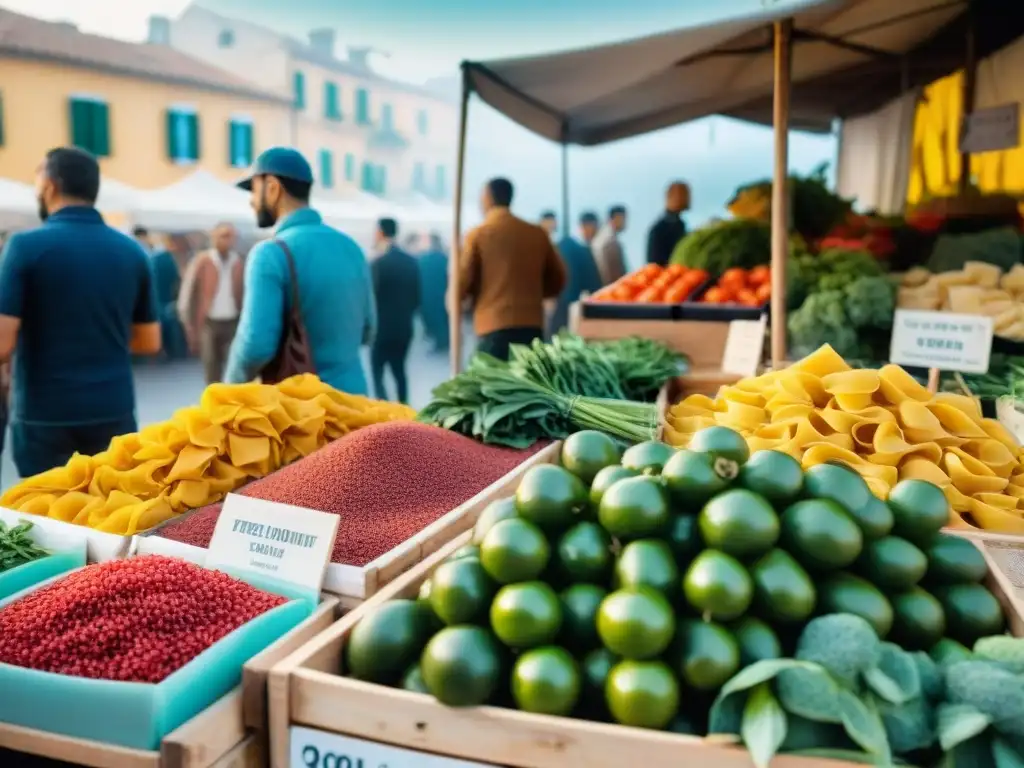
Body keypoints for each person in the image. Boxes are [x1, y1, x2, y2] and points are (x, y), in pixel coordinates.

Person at [0, 147, 161, 477]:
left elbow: (2, 344)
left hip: (44, 416)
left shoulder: (23, 247)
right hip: (113, 409)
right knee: (107, 516)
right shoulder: (133, 252)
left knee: (44, 521)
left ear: (50, 185)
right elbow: (149, 342)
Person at [225, 147, 376, 394]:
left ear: (272, 187)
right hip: (356, 402)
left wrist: (227, 389)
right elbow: (368, 331)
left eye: (253, 190)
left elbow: (256, 346)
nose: (252, 201)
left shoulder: (269, 254)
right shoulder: (352, 248)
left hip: (303, 413)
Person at [457, 178, 566, 361]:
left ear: (488, 199)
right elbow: (558, 279)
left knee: (491, 385)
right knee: (527, 383)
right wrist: (535, 295)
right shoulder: (537, 233)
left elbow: (462, 283)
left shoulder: (478, 235)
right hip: (531, 325)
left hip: (491, 326)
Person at [178, 223, 244, 384]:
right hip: (209, 322)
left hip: (233, 321)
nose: (227, 240)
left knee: (233, 367)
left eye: (231, 236)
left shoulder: (239, 261)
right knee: (211, 367)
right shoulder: (203, 261)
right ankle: (214, 404)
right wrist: (189, 324)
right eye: (223, 236)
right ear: (214, 237)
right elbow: (187, 294)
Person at [370, 218, 420, 403]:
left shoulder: (378, 263)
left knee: (377, 371)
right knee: (400, 371)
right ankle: (405, 410)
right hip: (404, 327)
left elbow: (371, 298)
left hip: (382, 329)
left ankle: (383, 413)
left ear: (381, 232)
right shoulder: (412, 262)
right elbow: (417, 298)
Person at [548, 211, 603, 336]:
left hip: (558, 306)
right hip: (572, 308)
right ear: (589, 226)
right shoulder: (583, 251)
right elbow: (595, 286)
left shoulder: (559, 246)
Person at [647, 181, 690, 267]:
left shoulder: (679, 224)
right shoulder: (660, 229)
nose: (687, 198)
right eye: (683, 194)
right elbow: (654, 264)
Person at [418, 232, 449, 353]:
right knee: (442, 320)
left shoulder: (424, 258)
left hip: (428, 295)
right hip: (442, 294)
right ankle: (443, 343)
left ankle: (440, 344)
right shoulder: (445, 258)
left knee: (435, 320)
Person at [591, 205, 628, 285]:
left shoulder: (601, 236)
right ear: (616, 218)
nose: (625, 223)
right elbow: (615, 274)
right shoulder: (610, 241)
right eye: (623, 219)